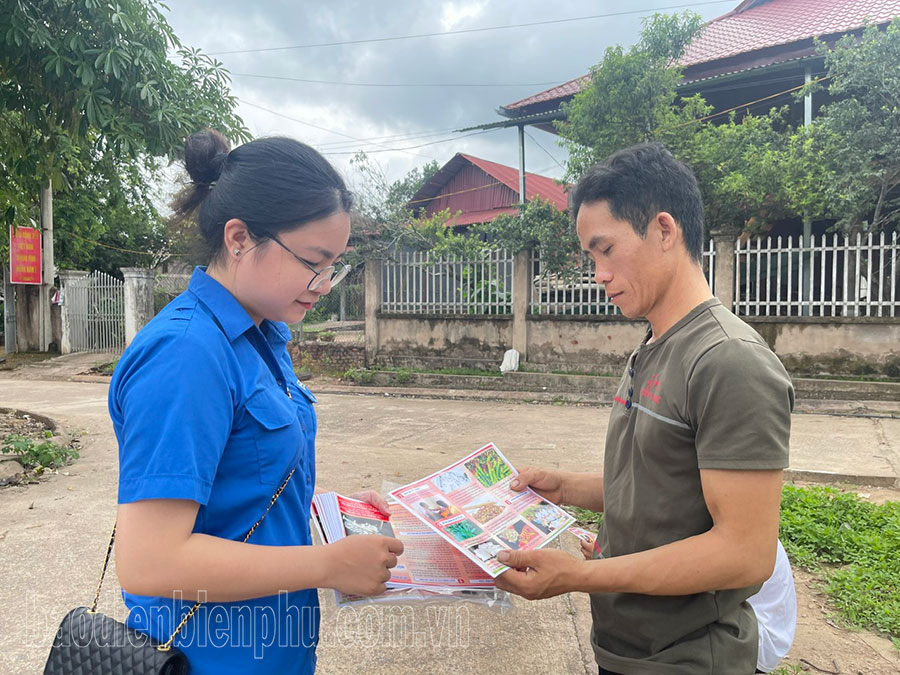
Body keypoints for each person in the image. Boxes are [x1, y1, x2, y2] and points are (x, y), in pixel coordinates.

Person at [109, 130, 404, 674]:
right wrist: (327, 564)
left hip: (273, 651)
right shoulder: (187, 355)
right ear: (240, 237)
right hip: (205, 657)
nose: (324, 282)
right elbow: (150, 562)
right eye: (314, 260)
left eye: (335, 263)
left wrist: (335, 513)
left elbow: (241, 484)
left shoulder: (259, 337)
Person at [494, 143, 794, 674]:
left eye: (605, 249)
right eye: (591, 258)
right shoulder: (655, 345)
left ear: (663, 230)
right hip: (627, 649)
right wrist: (561, 487)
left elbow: (745, 551)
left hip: (687, 658)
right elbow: (661, 491)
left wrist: (578, 576)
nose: (598, 274)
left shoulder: (729, 361)